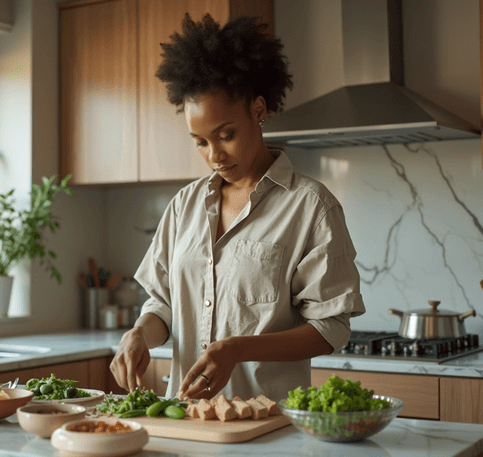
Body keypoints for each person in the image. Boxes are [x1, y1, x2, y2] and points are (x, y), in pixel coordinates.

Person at [110, 13, 365, 402]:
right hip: (190, 420)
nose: (214, 155)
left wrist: (239, 349)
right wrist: (139, 334)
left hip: (270, 425)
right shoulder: (184, 206)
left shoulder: (311, 207)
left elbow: (330, 328)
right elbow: (162, 304)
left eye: (225, 135)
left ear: (259, 110)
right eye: (200, 141)